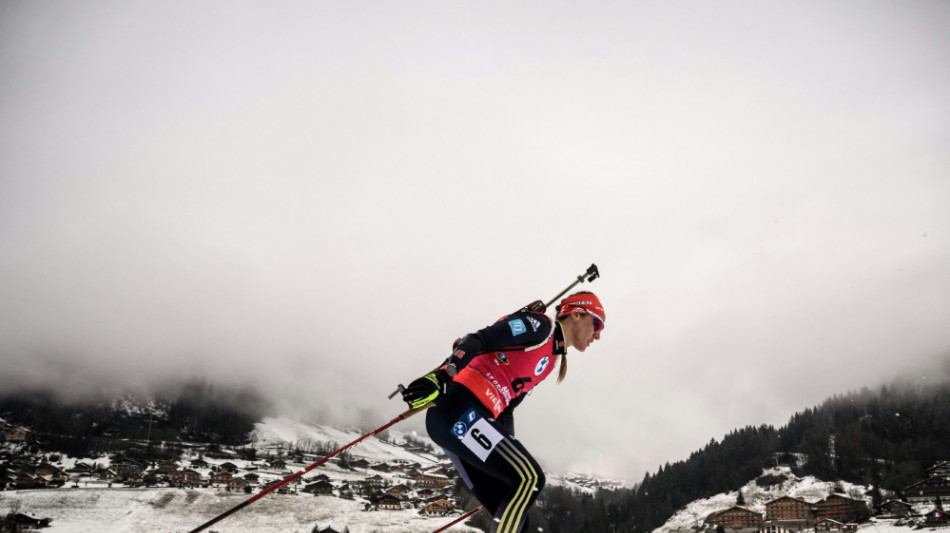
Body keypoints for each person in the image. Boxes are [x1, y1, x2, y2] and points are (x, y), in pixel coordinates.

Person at [400, 291, 605, 533]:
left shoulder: (550, 360)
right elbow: (481, 339)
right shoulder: (541, 327)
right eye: (597, 324)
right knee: (530, 479)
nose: (598, 335)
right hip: (457, 406)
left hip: (469, 419)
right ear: (578, 314)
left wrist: (504, 459)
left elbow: (507, 409)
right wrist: (442, 375)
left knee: (520, 521)